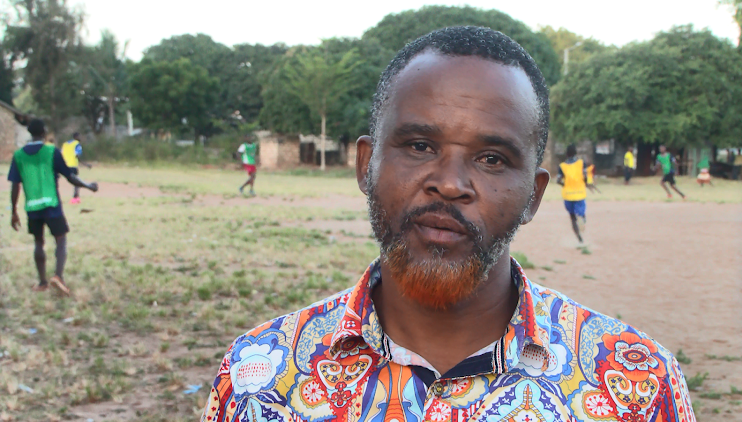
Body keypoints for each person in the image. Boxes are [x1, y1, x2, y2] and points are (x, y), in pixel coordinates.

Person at [201, 27, 694, 422]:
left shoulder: (637, 387)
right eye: (419, 146)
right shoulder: (259, 378)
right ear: (365, 165)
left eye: (492, 158)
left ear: (534, 196)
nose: (450, 183)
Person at [7, 119, 99, 295]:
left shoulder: (19, 156)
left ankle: (42, 282)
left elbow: (15, 186)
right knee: (60, 238)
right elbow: (70, 176)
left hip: (32, 207)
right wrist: (88, 185)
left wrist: (13, 212)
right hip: (51, 205)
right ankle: (58, 276)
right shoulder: (51, 152)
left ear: (29, 133)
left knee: (38, 242)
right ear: (44, 133)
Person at [557, 144, 588, 242]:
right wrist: (585, 182)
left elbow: (558, 180)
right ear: (575, 153)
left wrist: (564, 184)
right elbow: (585, 177)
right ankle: (582, 218)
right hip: (580, 193)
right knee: (581, 213)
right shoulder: (581, 163)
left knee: (572, 217)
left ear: (567, 154)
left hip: (568, 195)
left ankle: (579, 237)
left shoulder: (562, 166)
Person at [61, 132, 92, 204]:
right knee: (76, 182)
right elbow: (77, 156)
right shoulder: (77, 144)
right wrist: (86, 164)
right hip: (72, 165)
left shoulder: (65, 144)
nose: (80, 138)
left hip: (64, 165)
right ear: (76, 137)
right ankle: (75, 198)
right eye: (79, 136)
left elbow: (61, 153)